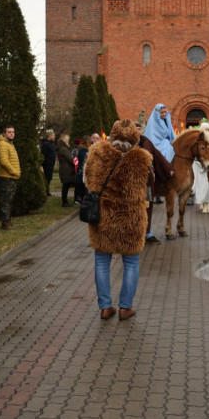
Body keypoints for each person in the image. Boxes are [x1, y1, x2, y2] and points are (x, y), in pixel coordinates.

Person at [85, 120, 153, 321]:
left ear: (112, 136)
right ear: (135, 137)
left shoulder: (97, 152)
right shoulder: (142, 158)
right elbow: (148, 187)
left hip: (103, 215)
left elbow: (88, 181)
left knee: (101, 261)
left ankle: (105, 307)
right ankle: (126, 307)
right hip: (131, 217)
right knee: (131, 262)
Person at [137, 122, 174, 244]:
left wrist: (168, 169)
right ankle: (134, 233)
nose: (137, 131)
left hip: (147, 182)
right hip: (133, 183)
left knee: (148, 205)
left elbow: (157, 155)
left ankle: (147, 233)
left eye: (139, 129)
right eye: (135, 129)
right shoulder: (127, 144)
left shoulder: (146, 141)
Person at [0, 124, 21, 230]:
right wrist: (14, 172)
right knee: (6, 200)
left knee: (9, 200)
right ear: (4, 133)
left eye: (13, 132)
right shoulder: (2, 144)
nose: (12, 134)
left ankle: (8, 221)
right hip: (6, 176)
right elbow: (4, 162)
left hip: (11, 176)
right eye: (9, 132)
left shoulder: (9, 144)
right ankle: (5, 223)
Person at [192, 121, 209, 214]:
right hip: (199, 167)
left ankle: (208, 204)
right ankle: (203, 203)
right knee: (201, 186)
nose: (207, 131)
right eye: (206, 129)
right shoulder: (198, 142)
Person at [56, 133, 76, 206]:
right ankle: (64, 202)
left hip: (65, 169)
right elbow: (70, 159)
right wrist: (75, 160)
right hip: (66, 170)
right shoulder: (63, 149)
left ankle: (65, 202)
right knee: (66, 186)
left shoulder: (62, 148)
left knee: (66, 186)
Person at [40, 129, 57, 196]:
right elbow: (43, 154)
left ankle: (47, 192)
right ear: (50, 136)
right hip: (47, 165)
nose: (54, 136)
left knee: (49, 178)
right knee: (47, 179)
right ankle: (45, 192)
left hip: (50, 165)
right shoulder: (45, 144)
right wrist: (42, 165)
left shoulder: (50, 143)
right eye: (53, 135)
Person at [73, 137, 89, 205]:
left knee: (80, 188)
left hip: (81, 171)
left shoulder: (82, 149)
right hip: (81, 171)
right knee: (80, 188)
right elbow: (84, 160)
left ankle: (79, 200)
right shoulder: (83, 150)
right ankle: (79, 200)